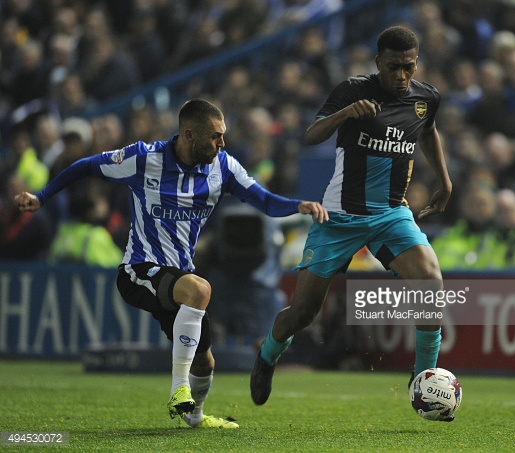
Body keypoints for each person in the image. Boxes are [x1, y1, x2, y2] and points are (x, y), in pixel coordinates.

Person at [14, 98, 328, 429]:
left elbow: (262, 198)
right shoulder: (143, 158)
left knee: (206, 362)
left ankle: (194, 416)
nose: (222, 143)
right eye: (215, 136)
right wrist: (42, 196)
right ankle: (178, 390)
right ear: (189, 135)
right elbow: (86, 166)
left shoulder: (223, 167)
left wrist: (299, 205)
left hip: (179, 277)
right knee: (199, 289)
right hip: (138, 271)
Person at [250, 25, 453, 419]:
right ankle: (268, 354)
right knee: (304, 313)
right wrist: (346, 113)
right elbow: (311, 135)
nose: (401, 75)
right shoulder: (352, 89)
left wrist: (444, 181)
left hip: (392, 214)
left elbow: (427, 131)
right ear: (378, 63)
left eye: (408, 67)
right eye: (393, 67)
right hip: (340, 217)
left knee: (431, 281)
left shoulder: (425, 98)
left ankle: (422, 376)